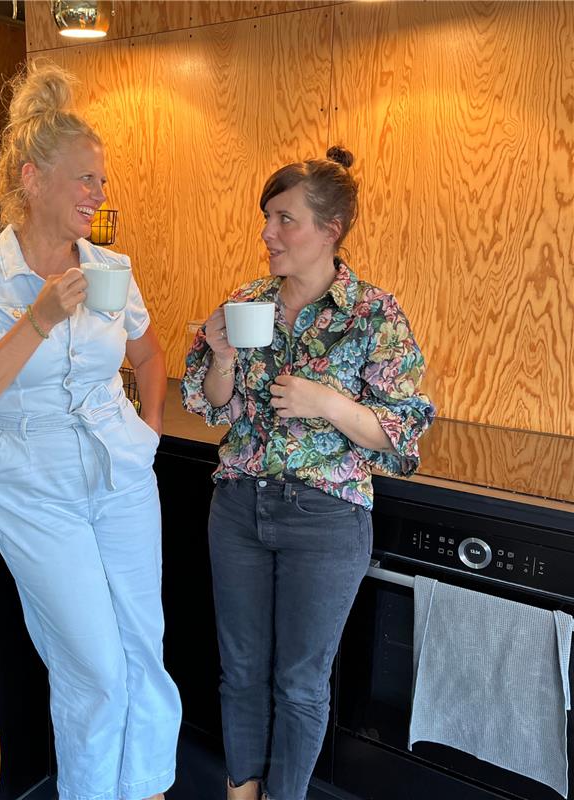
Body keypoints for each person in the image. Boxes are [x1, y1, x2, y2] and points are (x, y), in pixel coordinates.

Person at [0, 61, 181, 800]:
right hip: (31, 479)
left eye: (101, 181)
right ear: (32, 178)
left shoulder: (112, 267)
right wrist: (37, 320)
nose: (98, 193)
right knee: (95, 669)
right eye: (84, 179)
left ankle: (147, 790)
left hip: (121, 469)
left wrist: (149, 430)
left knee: (144, 649)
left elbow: (149, 354)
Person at [181, 146, 435, 800]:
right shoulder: (248, 300)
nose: (268, 233)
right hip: (239, 506)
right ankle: (240, 793)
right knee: (240, 671)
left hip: (326, 518)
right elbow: (213, 407)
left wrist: (327, 402)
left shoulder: (374, 315)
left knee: (299, 683)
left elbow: (402, 429)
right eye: (267, 218)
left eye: (284, 219)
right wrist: (221, 357)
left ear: (330, 229)